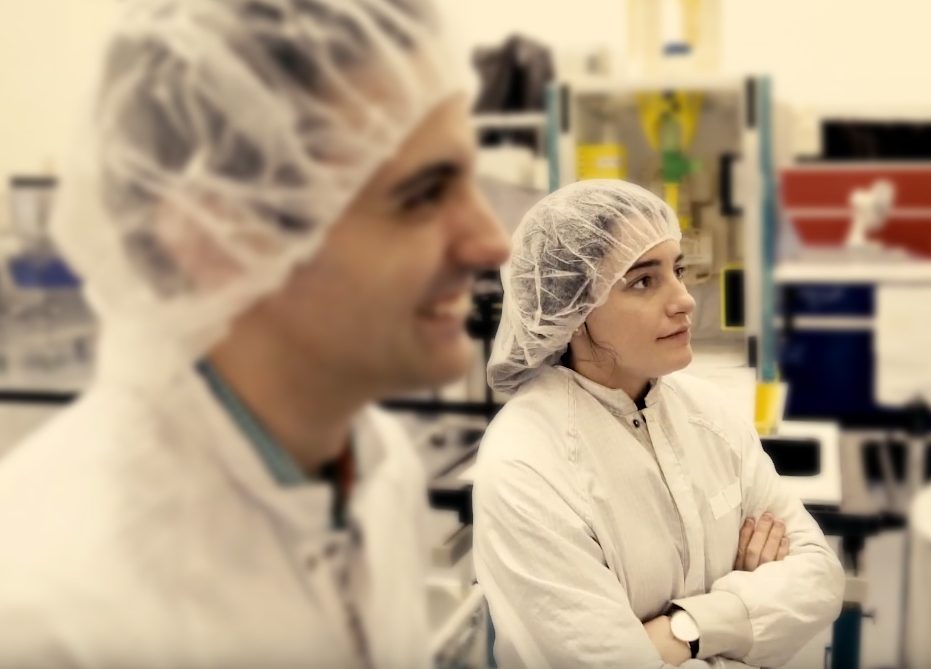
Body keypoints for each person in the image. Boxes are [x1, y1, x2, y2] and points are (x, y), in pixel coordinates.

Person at [0, 1, 509, 667]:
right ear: (217, 234)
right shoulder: (48, 612)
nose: (492, 241)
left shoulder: (375, 466)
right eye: (419, 194)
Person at [473, 179, 844, 668]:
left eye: (679, 269)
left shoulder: (708, 411)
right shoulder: (527, 463)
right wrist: (747, 616)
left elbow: (819, 576)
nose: (685, 299)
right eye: (643, 281)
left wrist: (684, 632)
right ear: (572, 309)